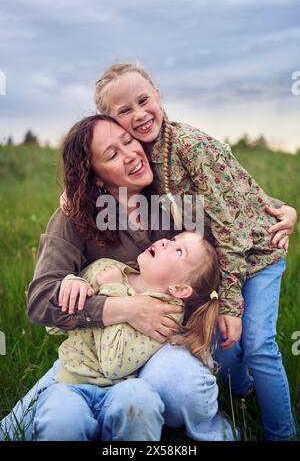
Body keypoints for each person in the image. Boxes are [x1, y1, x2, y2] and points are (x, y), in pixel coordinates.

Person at [92, 63, 297, 440]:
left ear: (158, 95)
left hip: (258, 253)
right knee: (223, 341)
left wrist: (232, 305)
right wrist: (75, 195)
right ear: (112, 122)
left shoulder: (189, 146)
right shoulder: (147, 156)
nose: (138, 114)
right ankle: (241, 393)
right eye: (124, 111)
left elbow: (233, 231)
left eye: (143, 100)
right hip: (219, 257)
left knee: (255, 341)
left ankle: (281, 432)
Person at [0, 116, 233, 441]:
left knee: (180, 389)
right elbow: (42, 301)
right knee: (25, 428)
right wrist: (124, 308)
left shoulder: (176, 198)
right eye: (111, 155)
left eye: (128, 141)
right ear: (95, 177)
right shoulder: (75, 215)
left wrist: (282, 212)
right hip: (95, 352)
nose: (130, 154)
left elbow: (233, 225)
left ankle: (218, 413)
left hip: (166, 344)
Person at [49, 232, 220, 387]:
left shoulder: (165, 315)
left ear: (180, 289)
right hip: (70, 381)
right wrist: (71, 283)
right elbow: (52, 326)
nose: (165, 243)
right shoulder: (106, 268)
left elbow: (112, 365)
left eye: (179, 251)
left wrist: (114, 288)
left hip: (114, 391)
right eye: (174, 239)